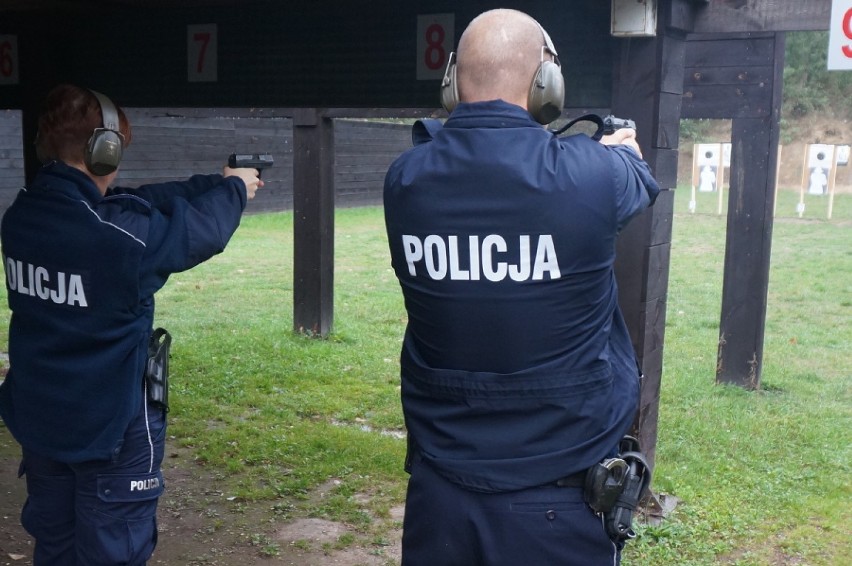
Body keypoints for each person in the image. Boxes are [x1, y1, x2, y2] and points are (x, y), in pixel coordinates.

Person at [383, 9, 660, 566]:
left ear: (452, 81)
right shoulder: (593, 175)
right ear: (546, 84)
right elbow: (635, 175)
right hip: (558, 509)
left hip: (440, 497)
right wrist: (617, 145)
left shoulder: (405, 181)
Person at [0, 83, 263, 565]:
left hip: (43, 422)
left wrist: (216, 181)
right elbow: (199, 231)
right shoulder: (118, 239)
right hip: (111, 429)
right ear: (103, 150)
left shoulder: (22, 216)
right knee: (113, 551)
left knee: (55, 548)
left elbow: (134, 200)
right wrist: (234, 191)